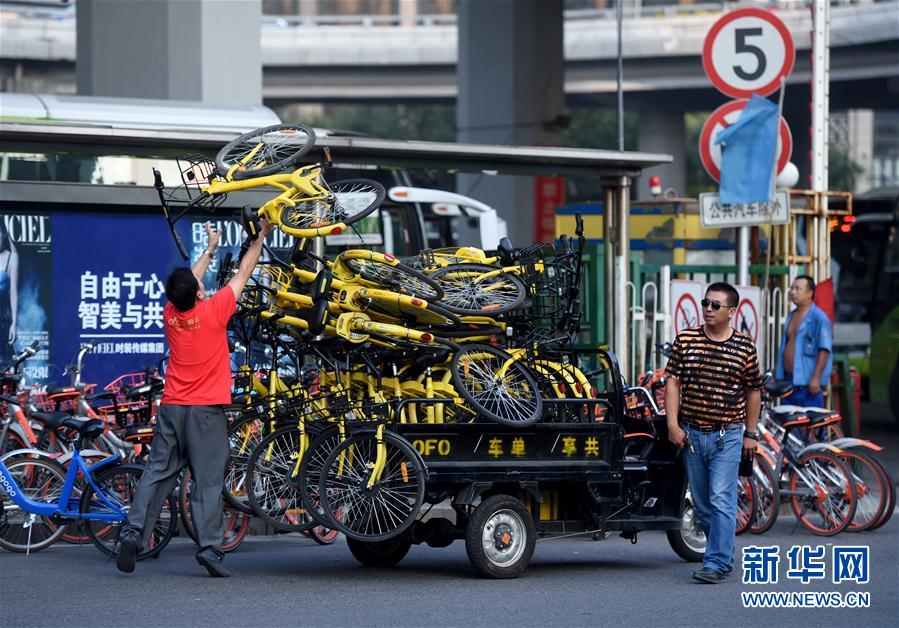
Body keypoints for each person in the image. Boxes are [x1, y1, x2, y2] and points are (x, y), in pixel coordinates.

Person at [116, 220, 273, 577]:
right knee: (207, 481)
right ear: (200, 295)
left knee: (156, 473)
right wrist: (260, 237)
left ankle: (133, 533)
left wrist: (210, 251)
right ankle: (209, 548)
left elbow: (187, 284)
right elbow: (244, 272)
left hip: (172, 409)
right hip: (205, 413)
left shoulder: (171, 313)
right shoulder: (214, 311)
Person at [665, 282, 761, 584]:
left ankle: (717, 562)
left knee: (721, 499)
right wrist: (672, 425)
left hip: (727, 436)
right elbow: (672, 382)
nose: (708, 309)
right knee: (703, 504)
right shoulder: (686, 340)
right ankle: (721, 552)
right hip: (692, 436)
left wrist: (751, 434)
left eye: (715, 305)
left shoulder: (744, 347)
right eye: (705, 303)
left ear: (731, 312)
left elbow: (754, 390)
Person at [776, 275, 832, 408]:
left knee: (811, 419)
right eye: (792, 288)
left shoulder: (819, 318)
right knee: (787, 419)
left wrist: (816, 378)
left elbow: (824, 350)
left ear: (809, 293)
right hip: (788, 382)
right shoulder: (791, 315)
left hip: (808, 385)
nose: (793, 292)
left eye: (798, 289)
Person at [0, 221, 19, 362]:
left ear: (4, 234)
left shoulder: (12, 257)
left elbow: (13, 292)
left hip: (3, 319)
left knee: (5, 361)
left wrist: (14, 323)